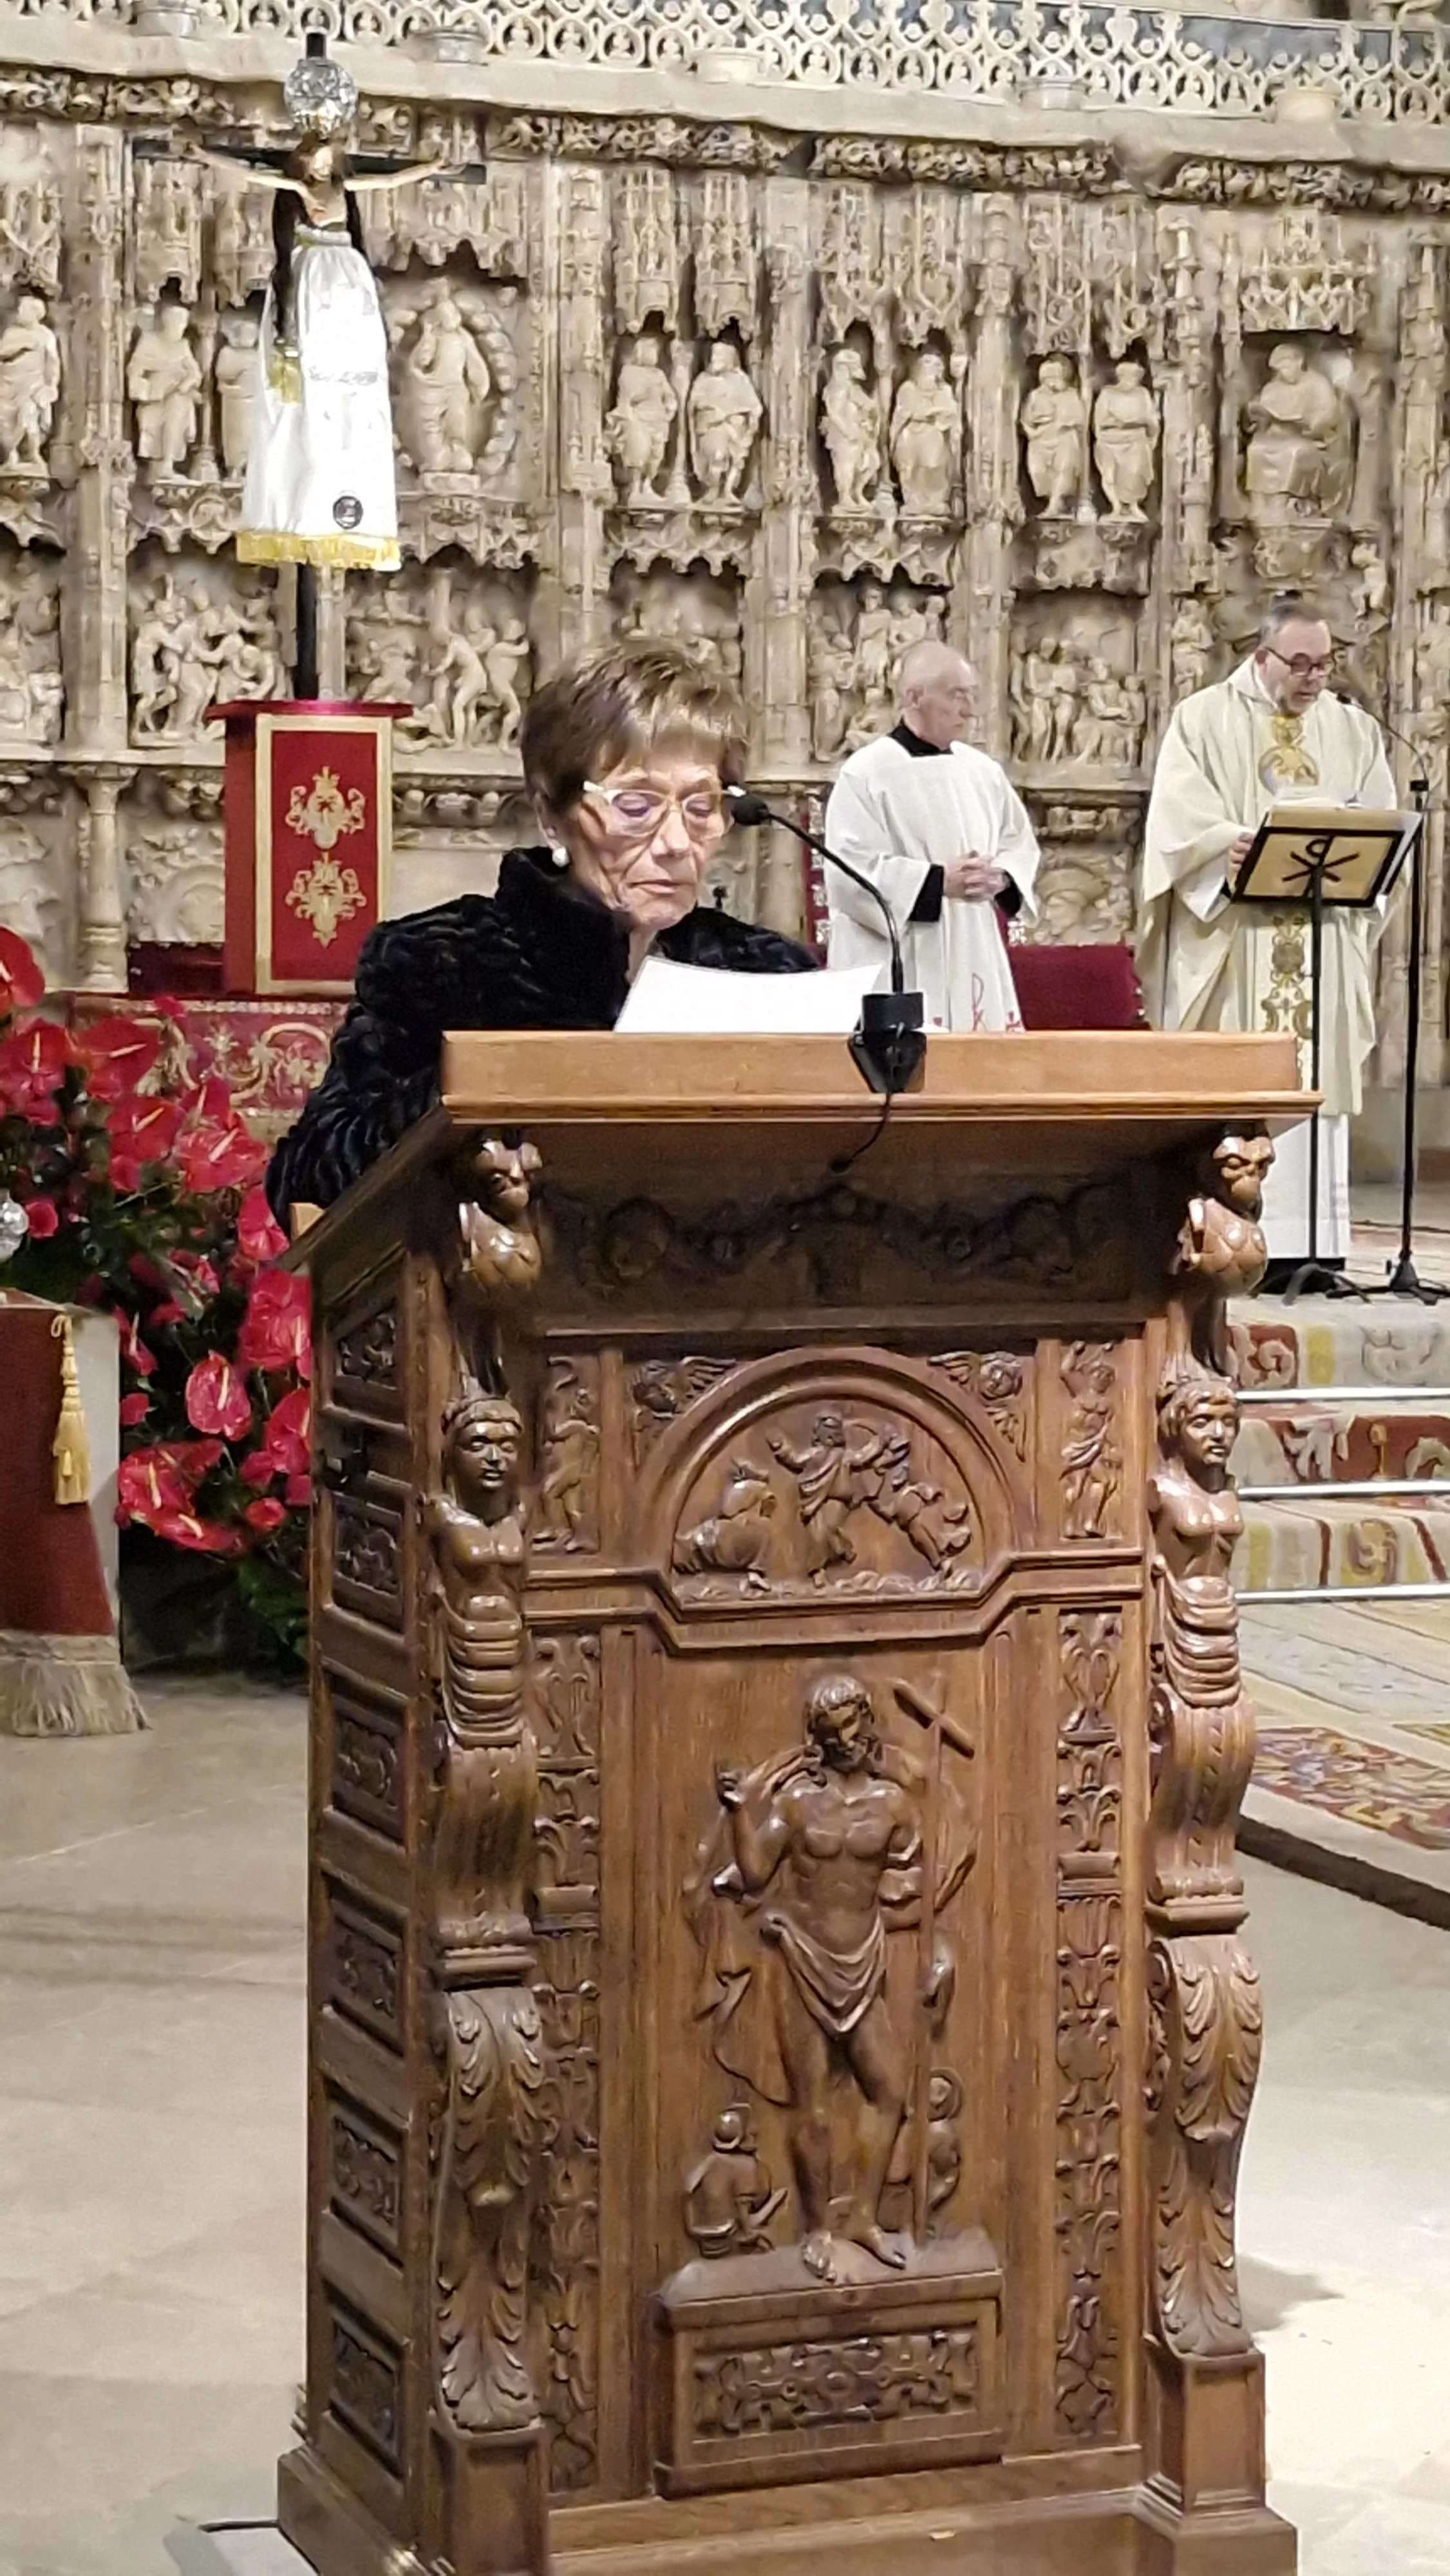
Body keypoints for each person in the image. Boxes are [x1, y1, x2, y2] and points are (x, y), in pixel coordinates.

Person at [266, 641, 815, 1220]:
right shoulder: (443, 960)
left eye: (701, 809)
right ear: (552, 816)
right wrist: (479, 1097)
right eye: (636, 806)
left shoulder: (766, 970)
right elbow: (308, 1174)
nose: (678, 843)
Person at [1140, 593, 1397, 1272]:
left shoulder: (1352, 730)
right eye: (1300, 663)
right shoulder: (1201, 721)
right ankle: (1234, 1241)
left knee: (1315, 1090)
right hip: (1239, 937)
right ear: (1261, 657)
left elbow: (1378, 825)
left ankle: (1315, 1246)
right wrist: (1220, 848)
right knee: (1241, 1083)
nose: (1314, 678)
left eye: (1324, 664)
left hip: (1321, 934)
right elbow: (1175, 822)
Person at [821, 641, 1039, 1032]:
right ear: (914, 696)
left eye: (971, 696)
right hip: (899, 960)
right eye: (957, 696)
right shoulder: (866, 773)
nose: (969, 709)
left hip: (974, 949)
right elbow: (849, 873)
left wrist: (1000, 877)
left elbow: (1018, 842)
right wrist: (939, 882)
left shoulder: (983, 772)